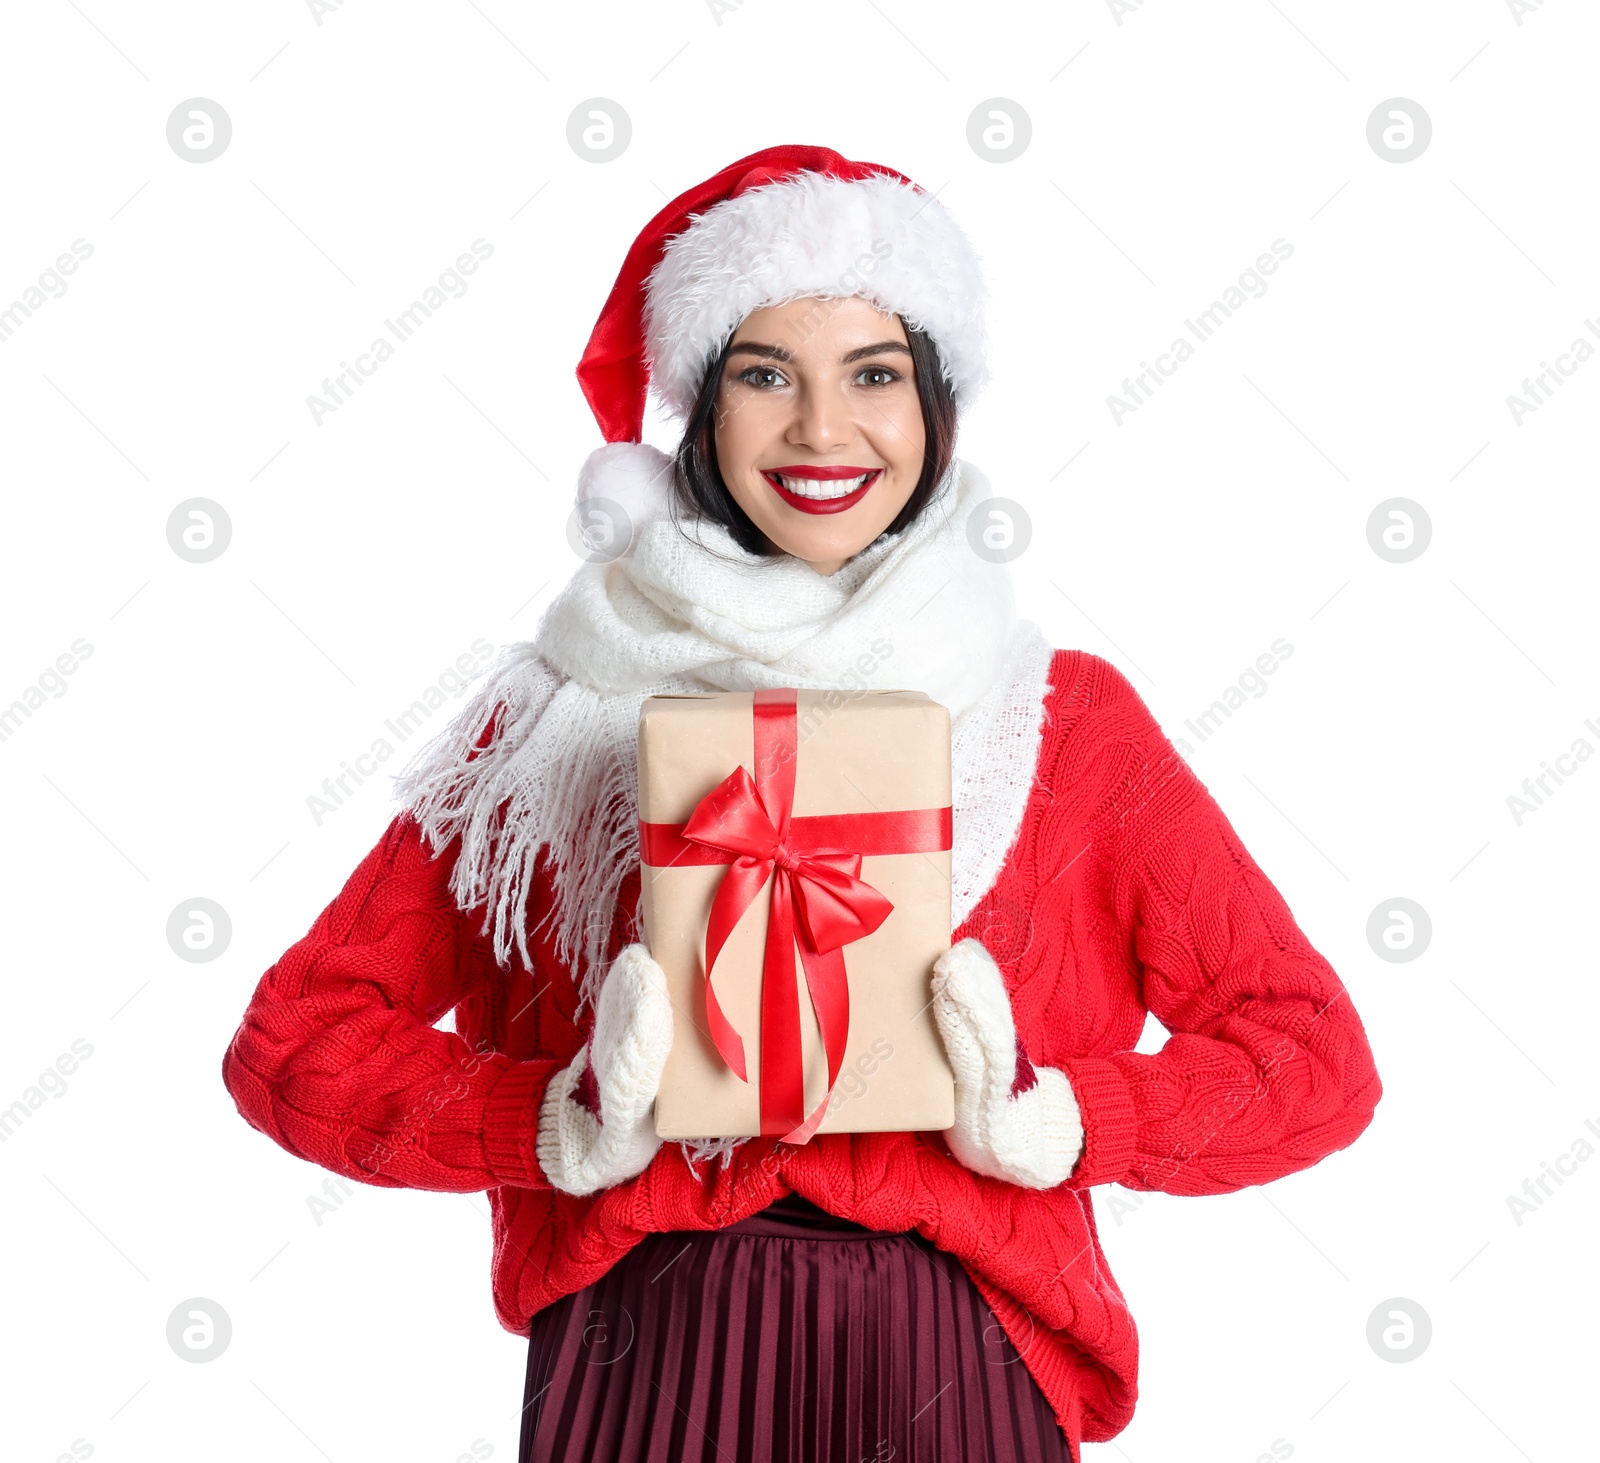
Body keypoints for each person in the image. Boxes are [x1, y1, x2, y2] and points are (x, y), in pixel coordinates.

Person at [221, 145, 1383, 1463]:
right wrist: (551, 1124)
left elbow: (1311, 1061)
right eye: (764, 374)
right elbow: (296, 1040)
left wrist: (1069, 1120)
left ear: (937, 407)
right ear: (700, 415)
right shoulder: (550, 720)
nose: (823, 431)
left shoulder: (1061, 726)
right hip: (644, 1354)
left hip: (964, 1348)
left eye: (874, 375)